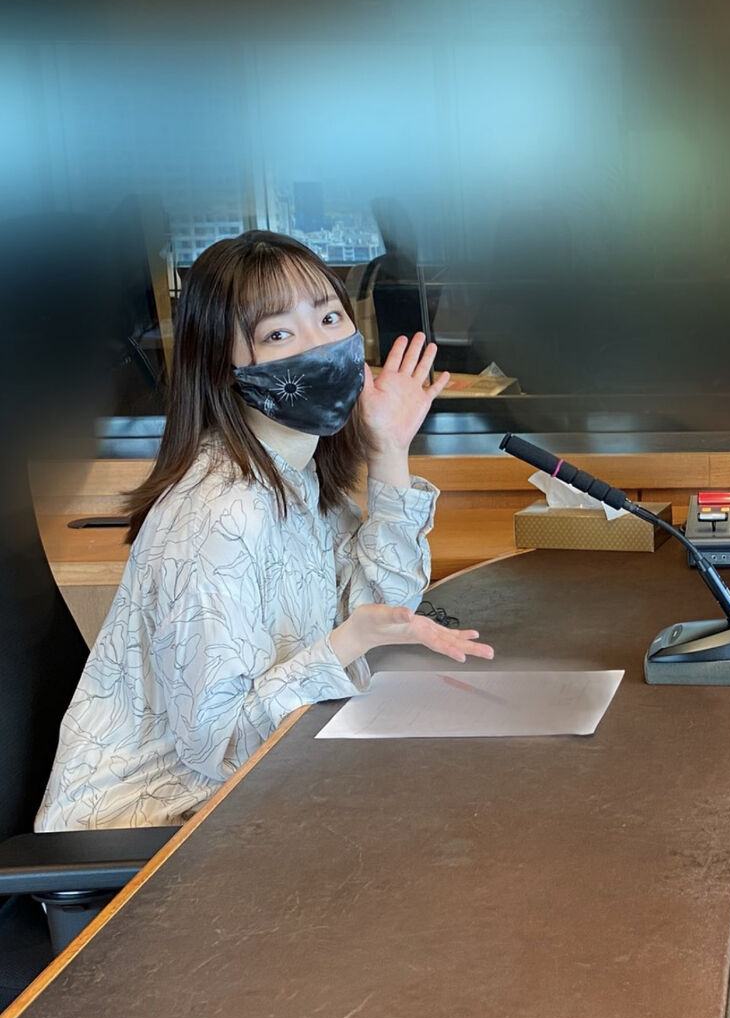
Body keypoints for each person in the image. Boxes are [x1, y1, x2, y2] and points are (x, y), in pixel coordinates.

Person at [36, 230, 493, 831]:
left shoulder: (295, 473)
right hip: (147, 828)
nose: (320, 346)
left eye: (329, 318)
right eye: (279, 334)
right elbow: (219, 746)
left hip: (249, 790)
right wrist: (344, 645)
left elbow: (383, 610)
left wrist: (389, 451)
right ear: (222, 367)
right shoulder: (222, 514)